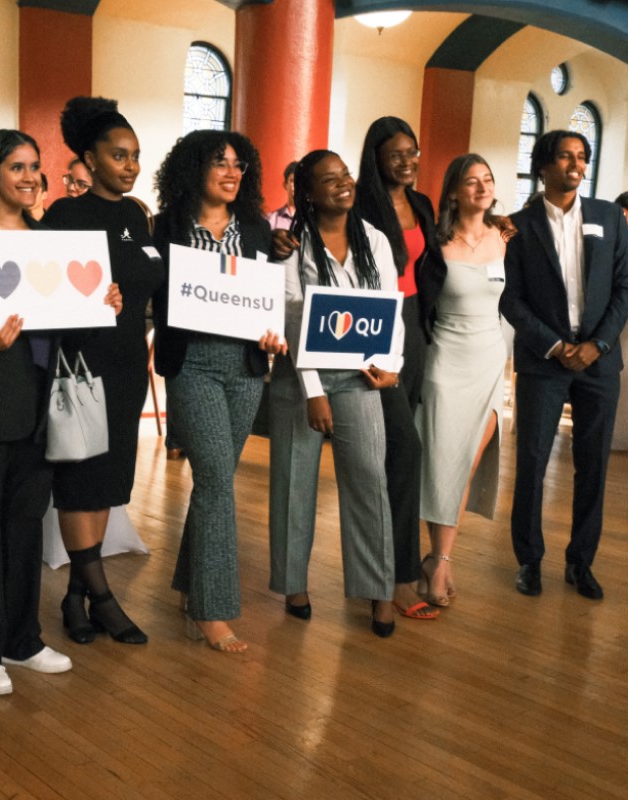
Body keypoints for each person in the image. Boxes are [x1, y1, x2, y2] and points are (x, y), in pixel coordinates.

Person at [0, 129, 121, 695]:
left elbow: (63, 317)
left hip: (39, 404)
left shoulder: (47, 240)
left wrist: (102, 302)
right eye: (16, 167)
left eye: (35, 167)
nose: (30, 177)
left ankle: (23, 639)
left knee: (26, 525)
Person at [273, 117, 435, 620]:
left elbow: (391, 308)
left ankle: (378, 590)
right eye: (330, 179)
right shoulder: (291, 245)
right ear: (308, 193)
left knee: (369, 478)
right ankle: (294, 586)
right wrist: (314, 392)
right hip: (303, 380)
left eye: (346, 174)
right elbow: (293, 319)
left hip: (362, 378)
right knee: (295, 482)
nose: (344, 183)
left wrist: (393, 366)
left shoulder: (375, 240)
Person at [152, 130, 287, 653]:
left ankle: (191, 587)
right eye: (219, 163)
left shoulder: (256, 230)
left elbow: (265, 299)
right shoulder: (164, 228)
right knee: (214, 481)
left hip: (247, 366)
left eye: (239, 165)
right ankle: (214, 612)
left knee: (216, 480)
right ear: (194, 170)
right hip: (193, 365)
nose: (232, 173)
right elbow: (152, 290)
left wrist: (274, 333)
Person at [42, 97, 165, 645]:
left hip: (126, 367)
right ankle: (104, 597)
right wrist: (92, 298)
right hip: (81, 367)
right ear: (88, 160)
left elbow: (147, 282)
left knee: (107, 485)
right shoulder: (66, 216)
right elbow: (50, 294)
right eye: (119, 155)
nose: (130, 165)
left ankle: (74, 598)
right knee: (79, 482)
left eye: (135, 156)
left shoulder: (137, 214)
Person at [500, 129, 628, 600]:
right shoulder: (516, 225)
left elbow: (626, 288)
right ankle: (529, 560)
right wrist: (556, 347)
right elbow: (511, 300)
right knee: (533, 462)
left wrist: (598, 343)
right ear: (543, 165)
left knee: (593, 464)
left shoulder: (609, 217)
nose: (575, 164)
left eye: (582, 157)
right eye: (565, 156)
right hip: (545, 361)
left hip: (599, 360)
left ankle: (581, 562)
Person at [415, 154, 508, 606]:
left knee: (466, 461)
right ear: (453, 191)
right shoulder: (434, 243)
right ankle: (436, 561)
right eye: (471, 181)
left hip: (490, 360)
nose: (481, 187)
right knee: (441, 462)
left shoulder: (507, 238)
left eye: (487, 180)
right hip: (445, 359)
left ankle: (439, 559)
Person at [265, 161, 297, 231]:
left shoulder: (312, 220)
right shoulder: (271, 219)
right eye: (292, 181)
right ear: (285, 185)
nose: (296, 185)